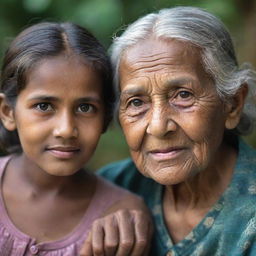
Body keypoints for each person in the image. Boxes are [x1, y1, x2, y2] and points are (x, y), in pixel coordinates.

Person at [98, 6, 256, 256]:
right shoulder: (107, 190)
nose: (159, 126)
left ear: (232, 104)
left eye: (183, 95)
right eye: (136, 102)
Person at [0, 22, 152, 256]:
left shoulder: (121, 221)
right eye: (44, 106)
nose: (66, 129)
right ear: (8, 112)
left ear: (104, 118)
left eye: (85, 108)